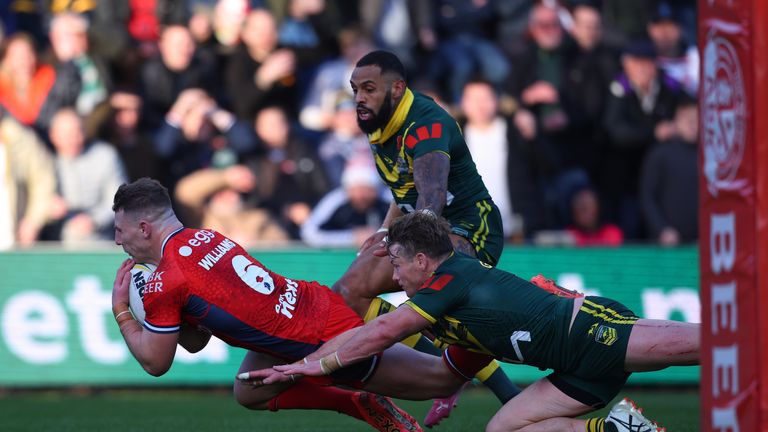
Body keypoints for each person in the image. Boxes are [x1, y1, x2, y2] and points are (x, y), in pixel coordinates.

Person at [260, 211, 699, 432]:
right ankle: (622, 428)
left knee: (711, 343)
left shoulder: (450, 279)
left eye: (396, 264)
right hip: (573, 372)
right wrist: (450, 390)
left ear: (419, 259)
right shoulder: (437, 300)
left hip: (592, 333)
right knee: (503, 428)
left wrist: (315, 366)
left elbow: (380, 332)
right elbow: (471, 354)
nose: (393, 276)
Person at [110, 177, 473, 432]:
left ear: (144, 229)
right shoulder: (206, 236)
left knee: (441, 379)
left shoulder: (166, 280)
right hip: (307, 306)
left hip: (323, 339)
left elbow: (157, 363)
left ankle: (495, 324)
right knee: (247, 390)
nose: (116, 240)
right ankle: (359, 402)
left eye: (120, 231)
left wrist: (123, 312)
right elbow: (197, 339)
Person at [334, 50, 518, 417]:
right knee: (349, 292)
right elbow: (405, 192)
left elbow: (431, 200)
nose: (359, 98)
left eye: (369, 89)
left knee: (428, 291)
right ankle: (444, 372)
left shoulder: (426, 124)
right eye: (356, 89)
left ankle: (509, 396)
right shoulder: (379, 120)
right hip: (417, 226)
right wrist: (386, 229)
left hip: (469, 227)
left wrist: (401, 247)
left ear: (398, 89)